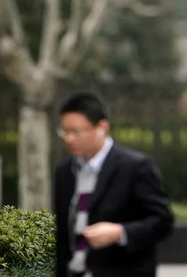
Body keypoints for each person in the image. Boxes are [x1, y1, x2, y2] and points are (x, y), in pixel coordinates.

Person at [54, 91, 174, 277]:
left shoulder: (135, 167)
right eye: (65, 131)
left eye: (77, 131)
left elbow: (163, 221)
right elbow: (62, 234)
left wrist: (120, 232)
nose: (69, 139)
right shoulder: (65, 172)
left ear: (102, 127)